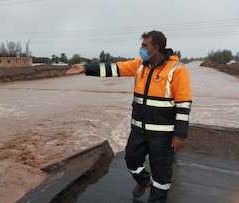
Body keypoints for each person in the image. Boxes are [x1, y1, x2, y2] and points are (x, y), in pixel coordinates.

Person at [66, 30, 192, 203]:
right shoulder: (140, 65)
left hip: (163, 135)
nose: (141, 48)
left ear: (156, 47)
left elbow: (184, 104)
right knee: (131, 160)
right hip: (138, 130)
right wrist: (86, 68)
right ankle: (143, 180)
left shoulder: (177, 70)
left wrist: (180, 134)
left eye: (144, 45)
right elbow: (115, 68)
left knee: (161, 174)